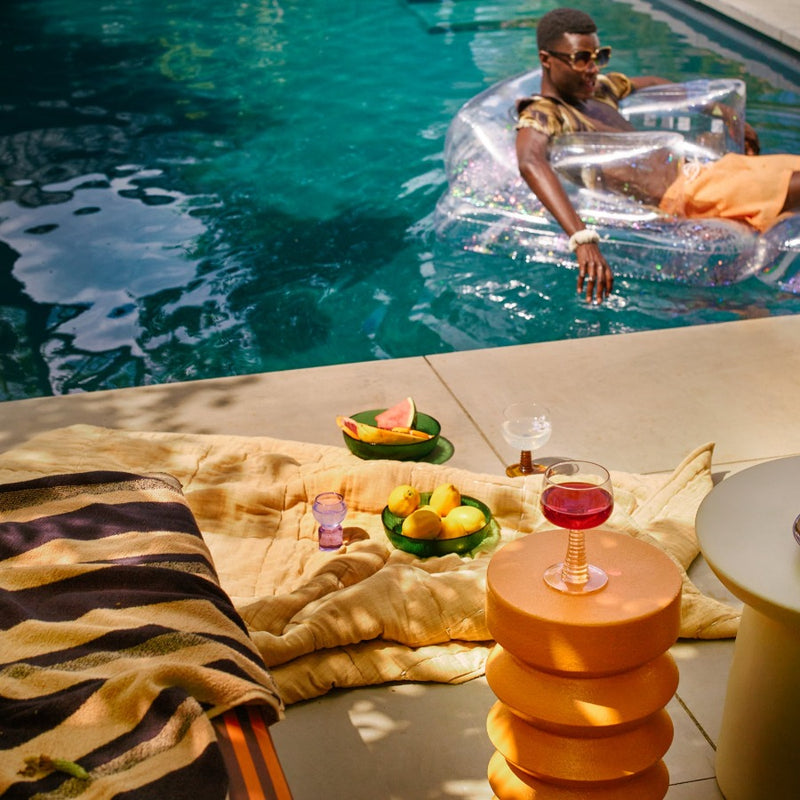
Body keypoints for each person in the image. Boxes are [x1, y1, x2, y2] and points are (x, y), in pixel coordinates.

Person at [517, 7, 800, 303]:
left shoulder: (598, 90)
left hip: (707, 173)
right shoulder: (548, 113)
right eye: (581, 59)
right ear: (546, 60)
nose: (593, 69)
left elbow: (652, 82)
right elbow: (529, 161)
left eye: (598, 57)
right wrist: (582, 239)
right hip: (685, 195)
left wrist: (721, 110)